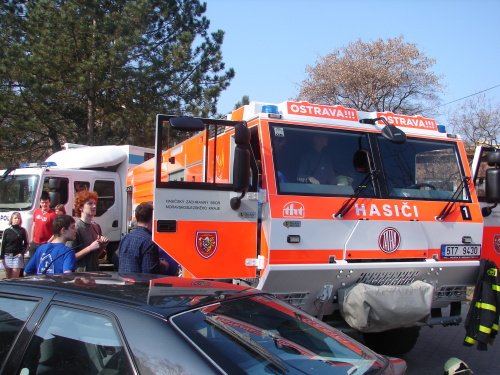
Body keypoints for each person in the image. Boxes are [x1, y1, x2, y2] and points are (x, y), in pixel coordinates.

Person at [118, 201, 175, 274]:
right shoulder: (149, 241)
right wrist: (163, 265)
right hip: (140, 284)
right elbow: (150, 272)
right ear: (152, 218)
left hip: (126, 283)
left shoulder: (125, 238)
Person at [66, 190, 109, 272]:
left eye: (94, 203)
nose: (94, 206)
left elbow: (94, 256)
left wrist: (102, 246)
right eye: (90, 203)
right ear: (81, 207)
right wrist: (90, 248)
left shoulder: (96, 227)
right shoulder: (75, 228)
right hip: (81, 277)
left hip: (94, 274)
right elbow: (69, 259)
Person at [28, 191, 57, 257]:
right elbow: (33, 226)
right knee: (33, 264)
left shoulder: (53, 215)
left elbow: (55, 232)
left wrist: (48, 242)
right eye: (42, 203)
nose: (44, 204)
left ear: (49, 203)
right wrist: (32, 240)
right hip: (34, 243)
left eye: (46, 202)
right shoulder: (36, 211)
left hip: (45, 243)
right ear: (40, 203)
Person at [0, 212, 29, 278]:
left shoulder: (22, 230)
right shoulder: (7, 231)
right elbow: (3, 244)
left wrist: (22, 253)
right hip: (7, 256)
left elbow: (26, 244)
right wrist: (1, 257)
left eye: (18, 218)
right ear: (12, 220)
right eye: (15, 218)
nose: (17, 220)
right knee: (8, 277)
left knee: (15, 277)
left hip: (17, 257)